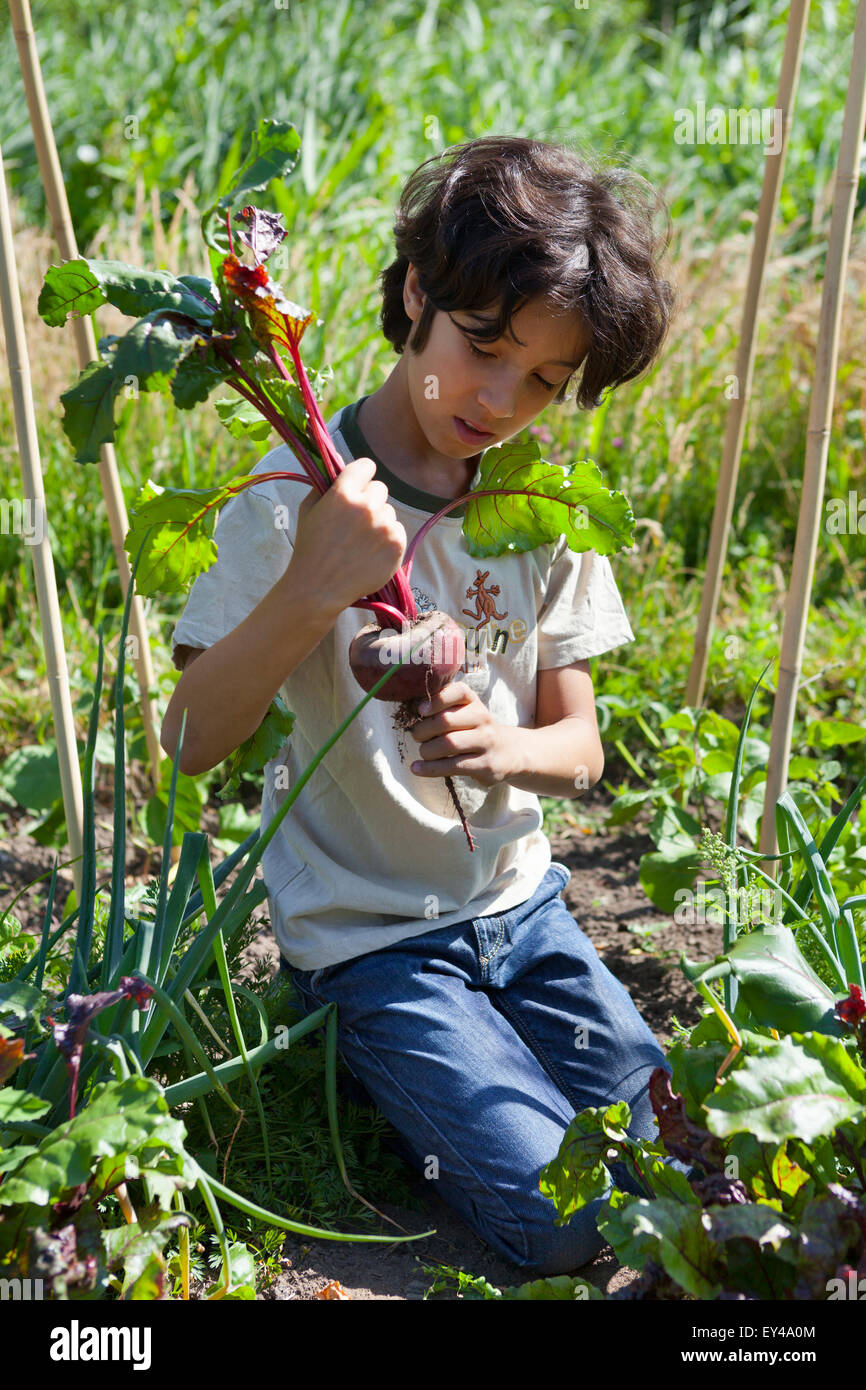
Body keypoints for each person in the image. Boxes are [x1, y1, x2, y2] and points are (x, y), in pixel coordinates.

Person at [162, 134, 676, 1275]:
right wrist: (313, 582)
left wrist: (505, 746)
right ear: (413, 294)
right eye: (483, 348)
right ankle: (392, 1065)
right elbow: (192, 737)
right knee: (560, 1223)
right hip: (375, 941)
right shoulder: (290, 499)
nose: (500, 400)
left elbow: (580, 746)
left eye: (544, 380)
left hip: (524, 911)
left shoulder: (540, 504)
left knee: (675, 1148)